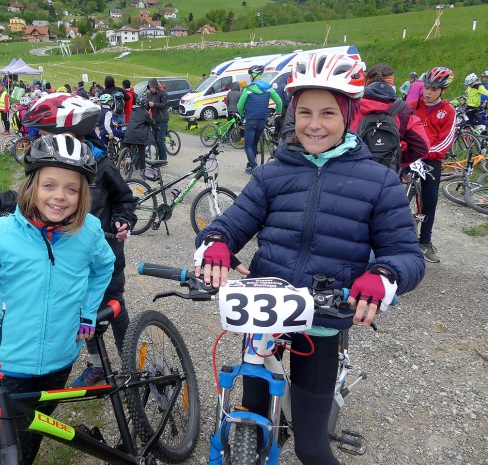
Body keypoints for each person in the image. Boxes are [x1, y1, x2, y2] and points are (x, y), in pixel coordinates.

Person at [194, 52, 425, 465]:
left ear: (349, 115)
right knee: (251, 411)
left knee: (312, 447)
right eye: (304, 112)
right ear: (291, 115)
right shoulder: (271, 173)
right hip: (266, 315)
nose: (313, 124)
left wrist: (383, 275)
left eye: (327, 113)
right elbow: (230, 225)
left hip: (322, 320)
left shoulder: (380, 181)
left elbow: (404, 253)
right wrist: (215, 244)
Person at [0, 133, 115, 465]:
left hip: (61, 357)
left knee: (34, 432)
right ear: (32, 186)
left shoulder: (89, 231)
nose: (60, 196)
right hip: (7, 365)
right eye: (49, 185)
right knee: (8, 446)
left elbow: (104, 266)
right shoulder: (3, 233)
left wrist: (87, 312)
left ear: (82, 196)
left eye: (71, 188)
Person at [407, 67, 456, 263]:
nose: (428, 92)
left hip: (431, 159)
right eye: (427, 87)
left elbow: (445, 141)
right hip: (409, 157)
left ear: (443, 91)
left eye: (434, 89)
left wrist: (425, 153)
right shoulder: (411, 105)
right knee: (391, 193)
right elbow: (401, 131)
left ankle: (425, 242)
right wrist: (406, 150)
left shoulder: (448, 111)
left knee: (431, 200)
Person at [349, 63, 429, 167]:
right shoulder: (404, 110)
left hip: (353, 170)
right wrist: (396, 160)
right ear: (391, 83)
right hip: (387, 174)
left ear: (366, 81)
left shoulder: (350, 105)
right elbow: (422, 146)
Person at [237, 65, 283, 174]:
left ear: (253, 76)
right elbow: (279, 102)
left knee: (248, 145)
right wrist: (278, 112)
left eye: (249, 75)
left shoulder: (247, 89)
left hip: (250, 120)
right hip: (262, 121)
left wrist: (244, 115)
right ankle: (250, 166)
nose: (249, 77)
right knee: (254, 144)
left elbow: (239, 106)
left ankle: (254, 166)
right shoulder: (268, 88)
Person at [123, 93, 158, 178]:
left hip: (128, 135)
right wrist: (157, 127)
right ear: (145, 104)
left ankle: (127, 159)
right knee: (141, 151)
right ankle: (142, 170)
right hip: (138, 137)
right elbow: (151, 122)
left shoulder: (133, 112)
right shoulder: (145, 113)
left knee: (131, 146)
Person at [146, 78, 169, 161]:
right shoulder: (149, 94)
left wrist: (154, 104)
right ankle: (158, 157)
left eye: (152, 87)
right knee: (154, 140)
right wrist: (147, 105)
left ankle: (163, 159)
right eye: (149, 87)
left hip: (163, 119)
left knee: (160, 140)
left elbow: (164, 105)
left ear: (155, 86)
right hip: (154, 119)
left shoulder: (162, 92)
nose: (151, 89)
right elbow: (148, 106)